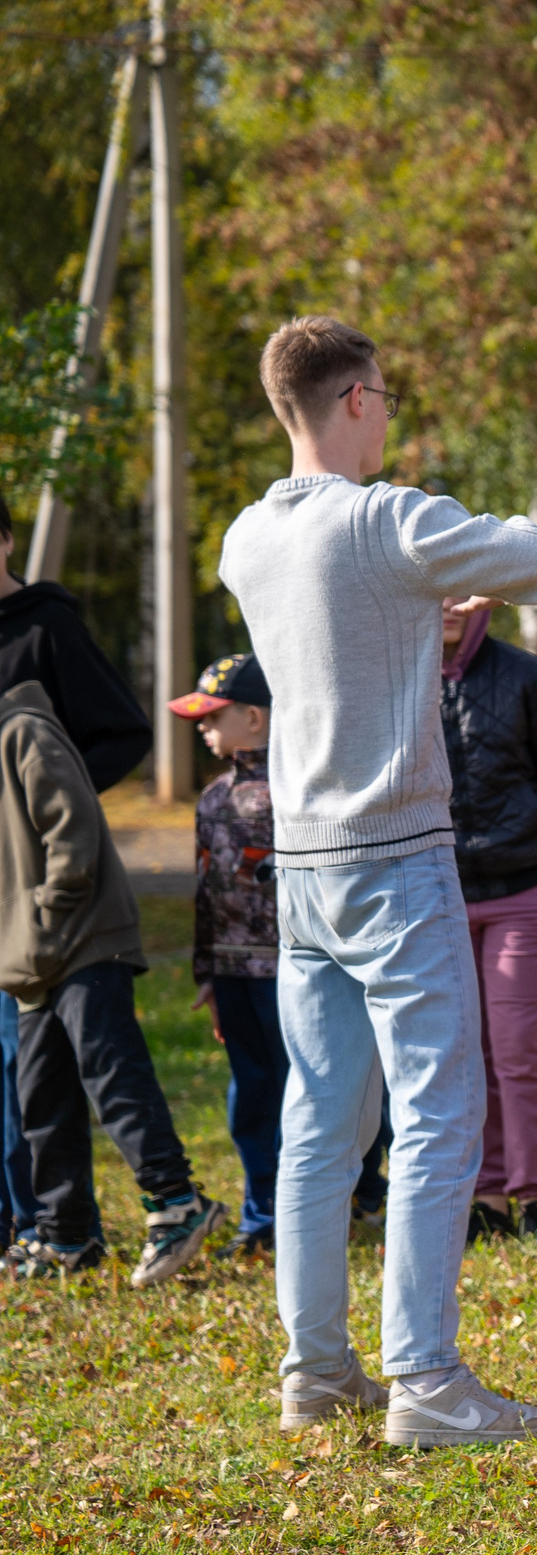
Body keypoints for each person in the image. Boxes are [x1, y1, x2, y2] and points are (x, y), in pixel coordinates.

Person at [221, 313, 537, 1446]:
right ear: (358, 399)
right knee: (440, 1115)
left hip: (303, 861)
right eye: (383, 396)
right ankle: (426, 1382)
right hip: (397, 853)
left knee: (320, 1122)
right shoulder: (387, 520)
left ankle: (315, 1370)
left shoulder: (245, 536)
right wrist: (457, 540)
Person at [1, 679, 225, 1284]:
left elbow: (69, 828)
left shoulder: (23, 730)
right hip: (30, 961)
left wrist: (48, 913)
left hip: (80, 940)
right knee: (40, 1098)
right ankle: (66, 1234)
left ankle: (176, 1202)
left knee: (112, 1072)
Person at [0, 493, 153, 1251]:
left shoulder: (46, 627)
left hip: (46, 895)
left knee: (54, 1069)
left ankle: (60, 1223)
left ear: (4, 541)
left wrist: (49, 814)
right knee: (26, 1084)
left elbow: (124, 733)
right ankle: (40, 1228)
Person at [440, 596, 537, 1245]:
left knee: (517, 1048)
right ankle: (487, 1197)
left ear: (484, 595)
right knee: (465, 1054)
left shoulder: (527, 675)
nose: (446, 603)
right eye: (433, 586)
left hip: (528, 889)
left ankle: (535, 1196)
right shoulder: (393, 671)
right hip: (439, 898)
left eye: (459, 588)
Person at [172, 654, 285, 1260]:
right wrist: (206, 974)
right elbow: (203, 892)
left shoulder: (301, 791)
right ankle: (261, 1213)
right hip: (235, 973)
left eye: (213, 715)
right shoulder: (213, 798)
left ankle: (349, 1195)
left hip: (293, 972)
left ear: (255, 716)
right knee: (252, 1095)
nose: (202, 726)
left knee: (310, 1094)